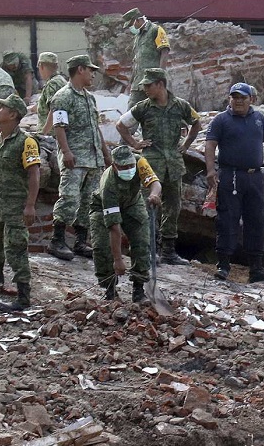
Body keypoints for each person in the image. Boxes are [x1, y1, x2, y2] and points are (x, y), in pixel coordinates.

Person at [116, 67, 200, 265]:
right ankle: (145, 248)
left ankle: (168, 250)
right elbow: (121, 125)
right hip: (151, 164)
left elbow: (196, 123)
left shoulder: (181, 106)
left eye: (148, 85)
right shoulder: (143, 107)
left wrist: (186, 145)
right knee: (146, 206)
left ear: (160, 84)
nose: (145, 88)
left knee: (173, 206)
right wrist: (135, 144)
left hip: (173, 164)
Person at [0, 94, 42, 312]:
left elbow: (34, 175)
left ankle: (23, 297)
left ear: (13, 114)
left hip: (16, 207)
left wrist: (30, 206)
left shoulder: (26, 142)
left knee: (16, 248)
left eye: (1, 107)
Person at [205, 82, 264, 282]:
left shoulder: (259, 119)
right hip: (231, 176)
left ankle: (256, 269)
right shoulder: (221, 120)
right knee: (227, 219)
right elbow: (210, 145)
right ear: (229, 99)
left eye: (242, 97)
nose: (238, 101)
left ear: (251, 100)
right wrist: (211, 170)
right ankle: (223, 266)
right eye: (234, 97)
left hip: (255, 177)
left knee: (256, 220)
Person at [48, 55, 110, 261]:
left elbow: (95, 128)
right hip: (74, 158)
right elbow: (59, 126)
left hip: (93, 159)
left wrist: (105, 152)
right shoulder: (62, 96)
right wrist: (65, 152)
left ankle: (81, 242)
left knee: (89, 202)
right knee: (69, 198)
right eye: (91, 70)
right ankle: (57, 240)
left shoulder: (89, 97)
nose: (93, 74)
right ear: (80, 69)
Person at [90, 145, 162, 302]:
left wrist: (154, 195)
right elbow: (114, 227)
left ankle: (138, 290)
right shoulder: (108, 184)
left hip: (132, 203)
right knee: (102, 246)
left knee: (142, 241)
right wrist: (118, 260)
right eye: (124, 167)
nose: (129, 169)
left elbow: (155, 183)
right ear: (115, 166)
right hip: (102, 207)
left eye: (130, 166)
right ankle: (110, 291)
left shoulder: (140, 162)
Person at [121, 8, 171, 109]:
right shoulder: (138, 37)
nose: (131, 28)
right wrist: (131, 82)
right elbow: (137, 61)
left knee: (157, 110)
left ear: (138, 20)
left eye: (131, 25)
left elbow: (164, 51)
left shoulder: (155, 30)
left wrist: (160, 75)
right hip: (138, 83)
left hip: (153, 81)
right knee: (132, 110)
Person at [36, 52, 68, 135]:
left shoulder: (52, 84)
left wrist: (43, 134)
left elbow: (54, 109)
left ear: (41, 66)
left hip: (51, 135)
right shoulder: (61, 80)